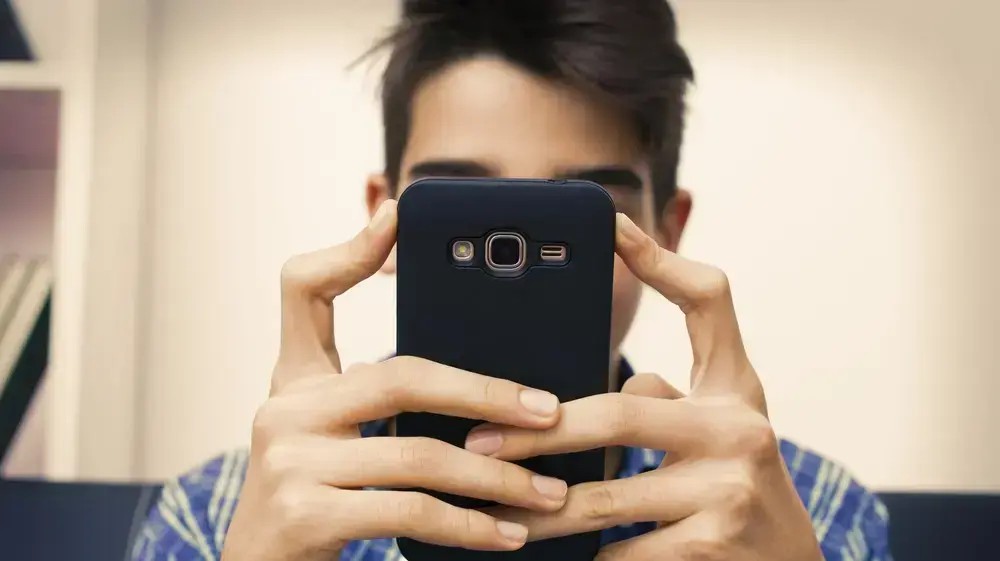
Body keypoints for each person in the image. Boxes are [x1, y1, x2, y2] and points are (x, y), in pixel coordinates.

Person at [131, 1, 891, 560]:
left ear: (666, 232)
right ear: (384, 224)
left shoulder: (807, 514)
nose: (520, 262)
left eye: (580, 217)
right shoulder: (218, 515)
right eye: (463, 206)